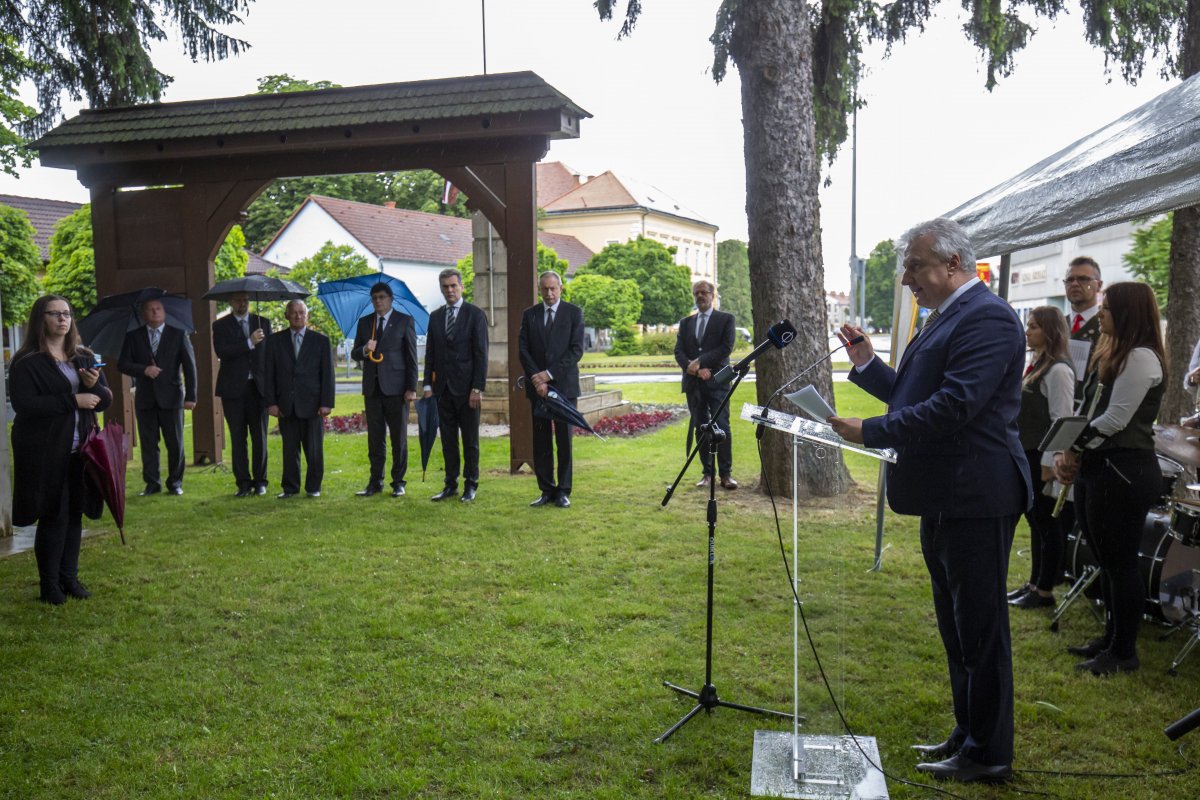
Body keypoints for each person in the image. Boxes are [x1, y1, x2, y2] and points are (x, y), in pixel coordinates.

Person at [828, 218, 1029, 784]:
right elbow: (918, 396)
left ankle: (989, 753)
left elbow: (955, 407)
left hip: (976, 495)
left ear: (952, 265)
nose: (906, 277)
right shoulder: (945, 318)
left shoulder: (988, 318)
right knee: (957, 627)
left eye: (914, 266)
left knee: (981, 631)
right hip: (943, 495)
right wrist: (868, 366)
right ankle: (968, 733)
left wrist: (871, 431)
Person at [1054, 282, 1165, 676]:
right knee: (1105, 559)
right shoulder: (1117, 351)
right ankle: (1112, 638)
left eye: (1106, 308)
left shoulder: (1141, 357)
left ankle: (1123, 652)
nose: (1100, 314)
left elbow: (1115, 420)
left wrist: (1072, 447)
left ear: (1128, 312)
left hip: (1124, 471)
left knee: (1120, 564)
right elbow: (1091, 408)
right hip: (1102, 467)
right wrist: (1072, 450)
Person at [10, 295, 113, 604]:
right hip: (45, 450)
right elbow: (25, 405)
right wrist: (73, 400)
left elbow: (105, 399)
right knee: (53, 515)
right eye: (54, 314)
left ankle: (70, 578)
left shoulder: (84, 355)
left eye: (66, 314)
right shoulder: (27, 361)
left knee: (75, 515)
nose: (62, 319)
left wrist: (93, 385)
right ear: (40, 319)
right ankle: (49, 585)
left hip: (80, 450)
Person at [1008, 307, 1075, 609]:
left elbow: (1061, 419)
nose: (1027, 331)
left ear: (1049, 331)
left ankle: (1045, 589)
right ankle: (1034, 583)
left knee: (1047, 524)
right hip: (1027, 452)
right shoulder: (1038, 364)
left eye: (1034, 327)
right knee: (1036, 522)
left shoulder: (1058, 370)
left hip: (1040, 456)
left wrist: (1050, 462)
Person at [118, 297, 197, 496]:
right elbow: (123, 364)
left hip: (171, 397)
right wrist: (144, 369)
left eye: (158, 308)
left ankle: (175, 482)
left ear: (164, 312)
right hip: (146, 398)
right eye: (150, 309)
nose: (155, 312)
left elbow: (190, 367)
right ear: (143, 314)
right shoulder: (133, 336)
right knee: (148, 443)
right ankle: (152, 483)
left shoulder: (178, 335)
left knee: (175, 443)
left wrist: (191, 396)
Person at [518, 270, 584, 509]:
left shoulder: (573, 313)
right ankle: (546, 490)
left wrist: (548, 375)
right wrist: (537, 379)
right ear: (539, 290)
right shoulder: (530, 315)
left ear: (561, 288)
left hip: (564, 388)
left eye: (553, 288)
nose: (549, 293)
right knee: (541, 441)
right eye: (544, 289)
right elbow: (523, 349)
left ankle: (564, 491)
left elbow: (576, 351)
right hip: (537, 389)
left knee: (564, 441)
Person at [423, 268, 488, 503]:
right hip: (442, 390)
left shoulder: (475, 315)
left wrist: (477, 388)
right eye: (445, 287)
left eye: (453, 286)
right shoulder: (435, 317)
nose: (449, 290)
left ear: (461, 287)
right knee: (448, 440)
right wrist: (427, 385)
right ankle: (450, 484)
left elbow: (481, 354)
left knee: (470, 440)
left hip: (468, 390)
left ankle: (471, 484)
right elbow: (430, 353)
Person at [350, 281, 418, 498]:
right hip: (372, 389)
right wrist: (364, 348)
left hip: (397, 390)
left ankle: (398, 482)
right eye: (375, 298)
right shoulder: (365, 323)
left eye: (382, 297)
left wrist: (411, 388)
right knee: (375, 438)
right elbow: (354, 354)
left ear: (390, 299)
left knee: (399, 438)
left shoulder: (404, 321)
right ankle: (375, 481)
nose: (378, 301)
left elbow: (411, 357)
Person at [264, 300, 335, 498]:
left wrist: (326, 402)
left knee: (314, 450)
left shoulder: (320, 341)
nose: (297, 316)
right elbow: (268, 373)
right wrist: (271, 402)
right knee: (289, 450)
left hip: (313, 405)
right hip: (286, 404)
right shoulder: (275, 341)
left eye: (301, 312)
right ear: (286, 316)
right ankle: (290, 488)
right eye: (293, 313)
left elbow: (327, 374)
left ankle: (313, 488)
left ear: (307, 315)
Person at [674, 280, 738, 489]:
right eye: (696, 293)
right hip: (695, 385)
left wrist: (701, 363)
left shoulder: (726, 320)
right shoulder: (686, 323)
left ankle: (726, 475)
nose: (700, 296)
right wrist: (692, 368)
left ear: (712, 295)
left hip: (718, 382)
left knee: (722, 427)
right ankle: (707, 474)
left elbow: (725, 347)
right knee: (701, 428)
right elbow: (679, 351)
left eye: (704, 292)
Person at [213, 292, 270, 497]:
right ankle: (243, 483)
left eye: (245, 300)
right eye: (238, 300)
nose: (242, 304)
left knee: (259, 437)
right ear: (230, 302)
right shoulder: (220, 326)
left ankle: (261, 481)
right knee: (238, 437)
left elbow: (268, 355)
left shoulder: (262, 322)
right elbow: (222, 352)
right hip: (233, 389)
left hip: (258, 388)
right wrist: (249, 342)